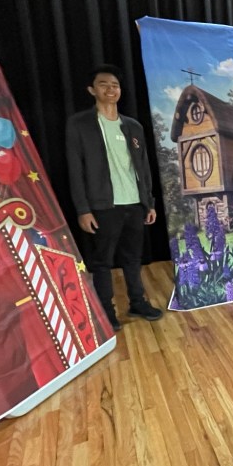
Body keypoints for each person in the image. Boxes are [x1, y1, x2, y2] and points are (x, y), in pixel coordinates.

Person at [66, 64, 163, 330]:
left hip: (134, 204)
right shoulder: (80, 124)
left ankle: (137, 302)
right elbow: (75, 170)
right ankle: (106, 311)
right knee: (102, 262)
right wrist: (83, 209)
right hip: (103, 206)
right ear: (92, 90)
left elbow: (143, 167)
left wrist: (149, 202)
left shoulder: (132, 126)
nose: (110, 89)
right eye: (104, 84)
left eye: (115, 85)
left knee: (133, 258)